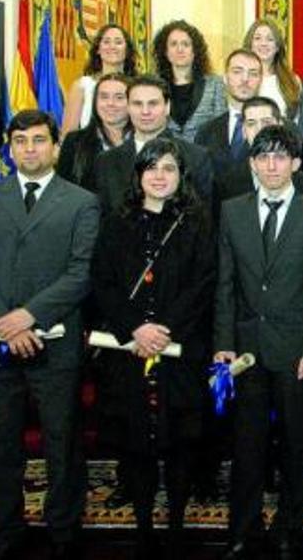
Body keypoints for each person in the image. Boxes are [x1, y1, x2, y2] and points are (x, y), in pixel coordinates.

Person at [0, 110, 100, 559]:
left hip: (54, 342)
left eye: (39, 140)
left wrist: (30, 317)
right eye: (21, 141)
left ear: (56, 146)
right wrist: (5, 321)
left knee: (62, 442)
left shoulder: (82, 202)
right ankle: (5, 531)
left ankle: (63, 530)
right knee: (1, 444)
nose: (30, 149)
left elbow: (81, 273)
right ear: (9, 145)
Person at [214, 124, 303, 557]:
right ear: (251, 163)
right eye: (263, 157)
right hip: (245, 352)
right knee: (246, 445)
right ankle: (242, 531)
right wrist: (223, 343)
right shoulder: (231, 211)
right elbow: (224, 284)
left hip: (295, 350)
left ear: (296, 164)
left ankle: (289, 527)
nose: (271, 165)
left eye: (281, 157)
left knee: (295, 442)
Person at [90, 138, 215, 553]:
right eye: (151, 168)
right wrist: (136, 330)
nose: (159, 176)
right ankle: (143, 528)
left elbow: (203, 285)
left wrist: (164, 330)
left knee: (180, 443)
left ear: (181, 177)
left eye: (168, 169)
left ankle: (176, 526)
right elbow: (102, 284)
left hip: (180, 352)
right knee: (135, 444)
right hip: (129, 353)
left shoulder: (197, 223)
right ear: (138, 175)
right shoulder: (116, 223)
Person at [90, 74, 215, 215]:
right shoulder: (106, 162)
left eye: (153, 103)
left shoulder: (196, 157)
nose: (145, 111)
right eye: (137, 104)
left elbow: (205, 219)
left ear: (167, 107)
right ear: (128, 108)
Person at [213, 98, 303, 215]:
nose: (259, 129)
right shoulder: (226, 185)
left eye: (266, 122)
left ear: (280, 125)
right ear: (244, 132)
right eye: (251, 124)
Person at [152, 19, 226, 142]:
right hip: (165, 156)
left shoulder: (215, 85)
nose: (179, 49)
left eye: (185, 44)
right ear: (165, 51)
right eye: (173, 44)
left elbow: (221, 129)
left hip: (203, 156)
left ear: (194, 51)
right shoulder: (154, 86)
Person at [56, 72, 132, 189]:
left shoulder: (146, 142)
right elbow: (61, 191)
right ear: (95, 102)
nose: (110, 103)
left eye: (119, 97)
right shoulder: (74, 142)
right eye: (104, 97)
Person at [195, 49, 265, 175]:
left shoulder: (279, 126)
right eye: (237, 72)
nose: (245, 79)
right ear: (225, 78)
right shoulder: (206, 131)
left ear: (261, 80)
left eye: (253, 73)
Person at [63, 23, 137, 133]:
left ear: (127, 50)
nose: (112, 46)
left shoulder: (138, 87)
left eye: (118, 42)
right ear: (98, 49)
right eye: (106, 42)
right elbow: (67, 136)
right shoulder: (82, 86)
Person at [244, 18, 303, 122]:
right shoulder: (242, 78)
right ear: (250, 45)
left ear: (277, 47)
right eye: (257, 38)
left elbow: (297, 120)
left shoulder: (292, 80)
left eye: (270, 39)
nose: (263, 43)